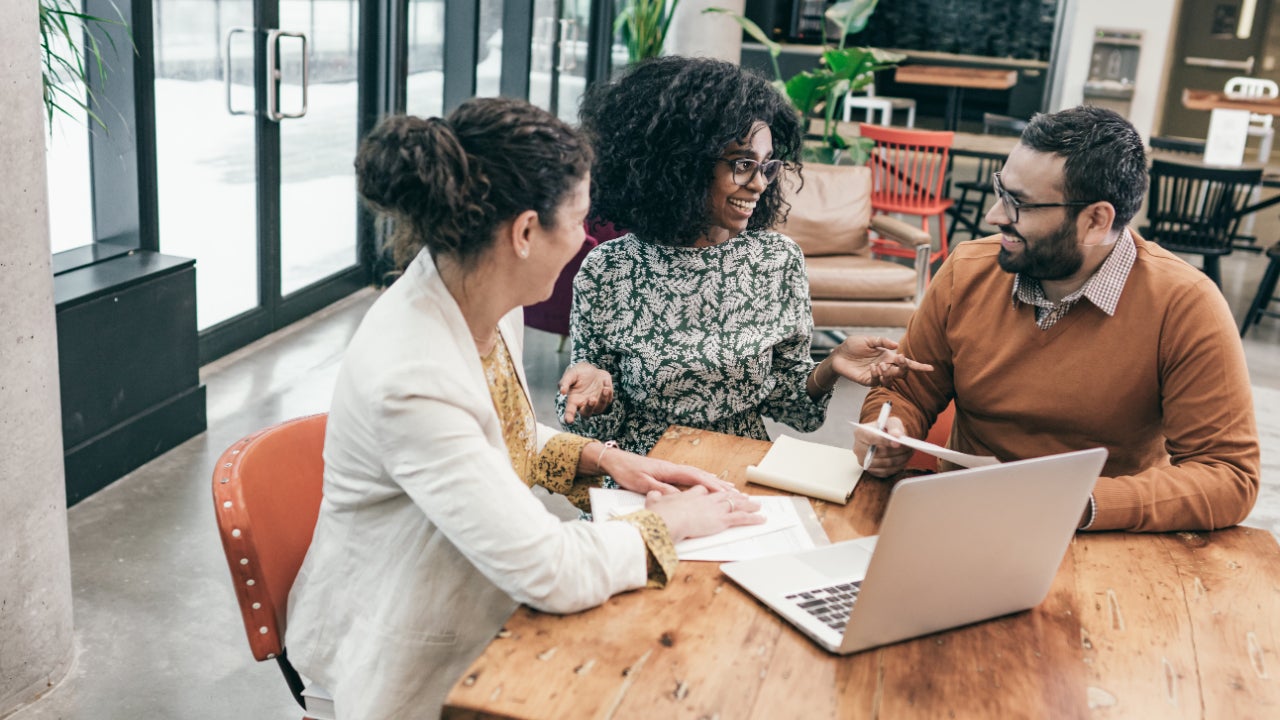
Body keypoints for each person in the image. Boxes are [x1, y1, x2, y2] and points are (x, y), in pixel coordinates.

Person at [285, 98, 765, 719]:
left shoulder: (481, 292)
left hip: (467, 595)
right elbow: (550, 570)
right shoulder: (411, 377)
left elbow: (500, 432)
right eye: (579, 221)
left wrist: (605, 458)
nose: (587, 239)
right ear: (525, 233)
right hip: (396, 654)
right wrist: (670, 524)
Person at [855, 105, 1260, 533]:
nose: (994, 216)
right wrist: (885, 427)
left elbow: (1229, 476)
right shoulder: (967, 270)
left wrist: (1076, 503)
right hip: (962, 519)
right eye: (1001, 190)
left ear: (1095, 221)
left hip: (1105, 537)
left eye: (1020, 204)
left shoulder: (1185, 305)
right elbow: (907, 392)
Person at [558, 56, 931, 455]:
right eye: (741, 164)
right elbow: (593, 423)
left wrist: (831, 365)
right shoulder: (609, 269)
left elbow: (791, 407)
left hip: (744, 465)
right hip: (643, 469)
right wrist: (594, 397)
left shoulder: (776, 260)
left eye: (766, 166)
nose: (759, 185)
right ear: (682, 164)